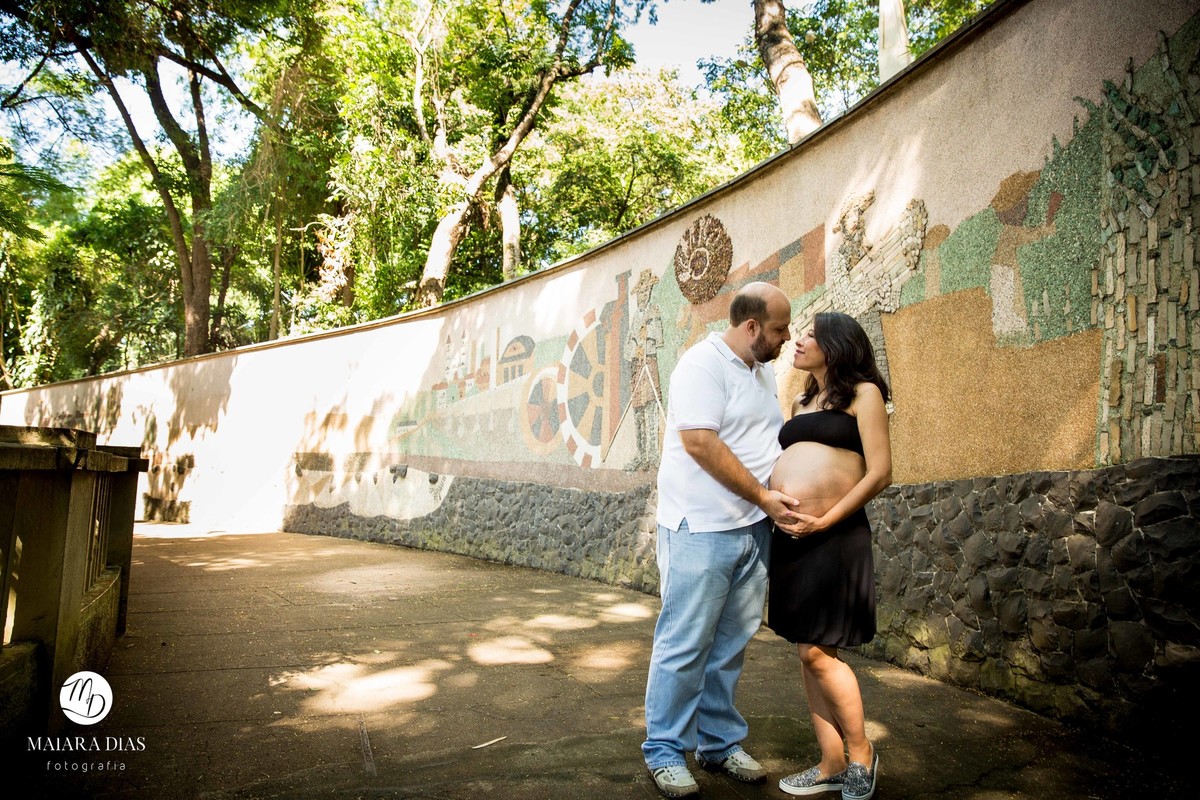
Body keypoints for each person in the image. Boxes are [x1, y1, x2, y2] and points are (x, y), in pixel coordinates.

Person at [642, 281, 805, 798]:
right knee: (684, 644)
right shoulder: (701, 364)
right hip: (700, 529)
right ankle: (665, 751)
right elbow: (698, 442)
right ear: (751, 326)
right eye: (779, 329)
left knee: (731, 646)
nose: (786, 339)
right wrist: (762, 495)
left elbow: (759, 441)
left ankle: (717, 744)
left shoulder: (759, 371)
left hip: (752, 529)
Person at [768, 311, 892, 800]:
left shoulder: (865, 394)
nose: (798, 341)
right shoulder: (799, 400)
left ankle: (861, 753)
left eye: (811, 335)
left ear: (837, 345)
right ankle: (830, 760)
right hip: (793, 537)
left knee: (819, 652)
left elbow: (879, 473)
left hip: (835, 536)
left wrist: (825, 518)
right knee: (808, 649)